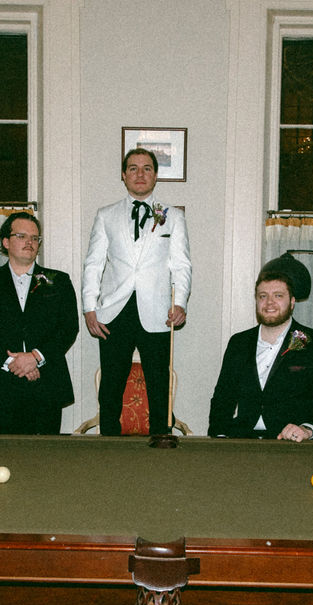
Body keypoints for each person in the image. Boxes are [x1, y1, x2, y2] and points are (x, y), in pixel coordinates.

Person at [82, 147, 192, 435]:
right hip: (113, 311)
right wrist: (89, 308)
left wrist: (180, 302)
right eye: (133, 168)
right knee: (111, 388)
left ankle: (161, 443)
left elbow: (181, 265)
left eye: (146, 168)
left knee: (158, 384)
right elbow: (93, 263)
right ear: (123, 174)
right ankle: (108, 446)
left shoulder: (173, 216)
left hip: (157, 313)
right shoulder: (105, 215)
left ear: (155, 175)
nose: (139, 174)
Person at [0, 212, 78, 434]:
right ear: (5, 242)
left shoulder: (58, 281)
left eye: (35, 238)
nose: (30, 242)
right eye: (22, 236)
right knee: (5, 457)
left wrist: (35, 358)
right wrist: (12, 362)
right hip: (0, 384)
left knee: (46, 459)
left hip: (46, 384)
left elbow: (68, 327)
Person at [208, 271, 313, 440]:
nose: (269, 303)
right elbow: (223, 397)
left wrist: (307, 430)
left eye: (278, 296)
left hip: (293, 444)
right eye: (262, 296)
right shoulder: (239, 343)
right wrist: (219, 436)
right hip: (243, 440)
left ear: (292, 302)